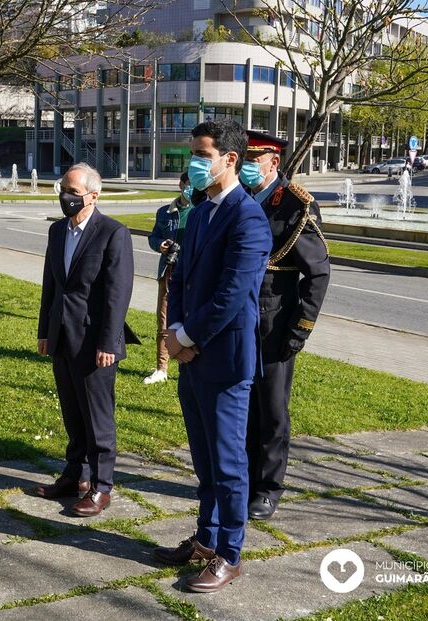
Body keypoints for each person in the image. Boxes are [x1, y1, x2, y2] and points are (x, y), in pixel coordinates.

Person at [154, 119, 272, 593]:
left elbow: (232, 292)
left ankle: (230, 553)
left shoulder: (248, 218)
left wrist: (191, 336)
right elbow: (179, 277)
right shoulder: (198, 212)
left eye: (203, 155)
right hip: (193, 354)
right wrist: (177, 331)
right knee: (203, 460)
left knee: (228, 465)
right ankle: (205, 539)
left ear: (229, 159)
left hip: (225, 360)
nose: (195, 164)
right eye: (193, 155)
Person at [239, 131, 331, 520]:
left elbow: (318, 273)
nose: (245, 167)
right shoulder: (235, 199)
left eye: (253, 160)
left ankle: (268, 487)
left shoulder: (295, 203)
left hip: (275, 322)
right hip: (236, 320)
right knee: (240, 406)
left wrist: (300, 328)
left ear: (273, 162)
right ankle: (241, 478)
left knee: (272, 409)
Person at [35, 162, 135, 517]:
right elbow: (51, 285)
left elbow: (117, 294)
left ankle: (101, 486)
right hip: (62, 336)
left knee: (97, 418)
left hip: (95, 343)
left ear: (93, 196)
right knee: (72, 412)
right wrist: (45, 331)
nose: (66, 197)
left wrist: (108, 343)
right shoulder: (57, 232)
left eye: (73, 193)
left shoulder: (113, 233)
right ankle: (75, 473)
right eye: (63, 189)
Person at [144, 172, 196, 385]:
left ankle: (189, 366)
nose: (192, 189)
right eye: (189, 184)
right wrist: (160, 245)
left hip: (192, 274)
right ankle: (161, 368)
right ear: (181, 185)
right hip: (168, 272)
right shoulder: (164, 212)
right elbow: (153, 236)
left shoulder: (200, 211)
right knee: (164, 321)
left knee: (190, 320)